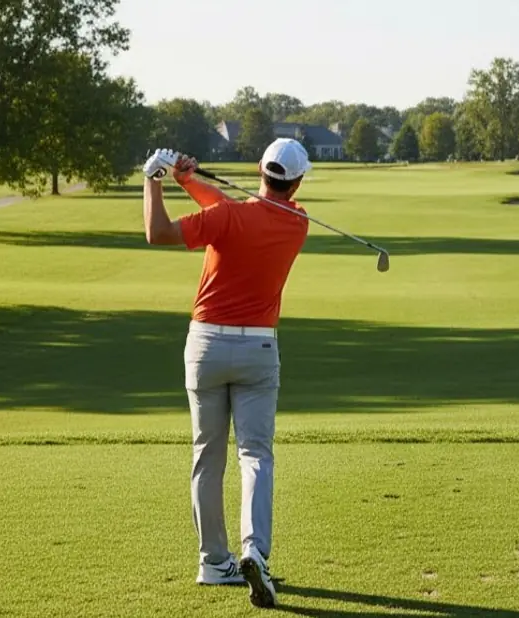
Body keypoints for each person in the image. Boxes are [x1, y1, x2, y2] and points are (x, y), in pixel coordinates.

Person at [140, 138, 312, 608]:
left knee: (207, 456)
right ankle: (255, 549)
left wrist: (154, 181)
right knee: (255, 454)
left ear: (259, 168)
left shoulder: (227, 218)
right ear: (296, 182)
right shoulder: (298, 224)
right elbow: (238, 214)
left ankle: (214, 561)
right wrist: (191, 181)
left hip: (207, 347)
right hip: (258, 348)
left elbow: (158, 232)